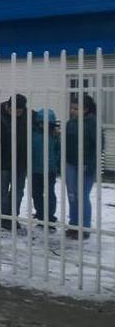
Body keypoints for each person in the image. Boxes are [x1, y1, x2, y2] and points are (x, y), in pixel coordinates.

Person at [66, 94, 97, 240]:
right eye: (72, 108)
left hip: (85, 166)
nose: (72, 111)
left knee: (82, 196)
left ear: (85, 109)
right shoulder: (71, 123)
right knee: (72, 196)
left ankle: (84, 227)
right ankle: (73, 225)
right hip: (70, 164)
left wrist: (90, 165)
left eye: (76, 108)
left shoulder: (92, 123)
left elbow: (98, 146)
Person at [0, 94, 28, 231]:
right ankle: (4, 218)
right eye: (15, 111)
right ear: (8, 106)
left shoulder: (27, 115)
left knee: (18, 190)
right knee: (1, 191)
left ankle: (13, 216)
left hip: (21, 160)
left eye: (20, 112)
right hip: (1, 160)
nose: (17, 114)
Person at [31, 109, 61, 227]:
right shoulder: (33, 134)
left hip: (50, 170)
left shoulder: (54, 136)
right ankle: (40, 213)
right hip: (35, 170)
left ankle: (49, 215)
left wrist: (57, 165)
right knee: (36, 193)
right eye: (42, 123)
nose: (44, 126)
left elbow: (58, 151)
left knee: (49, 192)